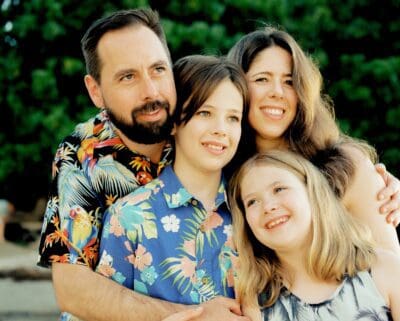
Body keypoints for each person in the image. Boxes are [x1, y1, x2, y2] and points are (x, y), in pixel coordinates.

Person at [37, 8, 248, 321]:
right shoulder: (83, 154)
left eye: (158, 69)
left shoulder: (207, 125)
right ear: (96, 91)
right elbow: (72, 289)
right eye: (127, 77)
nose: (151, 92)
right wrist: (198, 316)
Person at [96, 54, 249, 311]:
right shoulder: (128, 217)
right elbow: (100, 313)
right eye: (205, 113)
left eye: (233, 118)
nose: (221, 129)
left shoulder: (252, 210)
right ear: (174, 121)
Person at [227, 26, 400, 254]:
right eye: (262, 79)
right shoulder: (224, 176)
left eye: (289, 81)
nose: (277, 92)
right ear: (235, 87)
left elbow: (392, 271)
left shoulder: (345, 167)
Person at [229, 150, 400, 320]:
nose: (268, 206)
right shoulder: (258, 303)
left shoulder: (383, 269)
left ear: (312, 192)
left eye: (279, 189)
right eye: (252, 201)